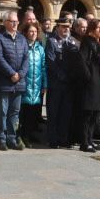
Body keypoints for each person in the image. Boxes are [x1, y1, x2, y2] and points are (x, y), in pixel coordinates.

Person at [0, 10, 30, 151]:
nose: (14, 24)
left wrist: (20, 74)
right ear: (5, 22)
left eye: (16, 21)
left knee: (15, 112)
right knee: (2, 112)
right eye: (11, 21)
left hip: (19, 82)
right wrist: (11, 73)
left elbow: (27, 58)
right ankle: (1, 138)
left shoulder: (22, 38)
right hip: (4, 82)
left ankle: (12, 138)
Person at [43, 18, 78, 148]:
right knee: (54, 112)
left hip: (69, 84)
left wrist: (71, 76)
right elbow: (51, 61)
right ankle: (53, 139)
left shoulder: (72, 42)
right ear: (57, 27)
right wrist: (62, 75)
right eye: (63, 27)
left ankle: (63, 139)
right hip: (56, 83)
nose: (66, 29)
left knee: (66, 113)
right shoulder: (52, 42)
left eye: (68, 27)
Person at [76, 18, 100, 152]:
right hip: (91, 82)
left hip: (99, 81)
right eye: (98, 28)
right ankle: (85, 142)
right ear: (92, 29)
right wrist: (88, 78)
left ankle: (90, 140)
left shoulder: (98, 42)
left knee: (95, 114)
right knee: (88, 114)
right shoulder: (87, 41)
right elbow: (82, 61)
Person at [20, 20, 47, 146]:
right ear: (25, 33)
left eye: (35, 31)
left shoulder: (40, 49)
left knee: (34, 112)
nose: (33, 33)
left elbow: (43, 67)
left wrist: (44, 84)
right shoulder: (22, 46)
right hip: (25, 84)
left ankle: (30, 134)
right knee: (23, 112)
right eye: (31, 31)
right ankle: (22, 135)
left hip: (36, 85)